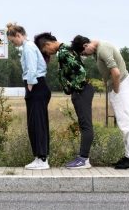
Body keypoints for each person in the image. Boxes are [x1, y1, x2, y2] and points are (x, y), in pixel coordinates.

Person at [72, 35, 129, 169]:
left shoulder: (103, 49)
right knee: (124, 121)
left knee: (127, 122)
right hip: (120, 84)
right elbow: (107, 73)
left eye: (83, 53)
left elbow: (115, 72)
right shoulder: (98, 51)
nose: (85, 55)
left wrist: (115, 90)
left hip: (120, 84)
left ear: (86, 45)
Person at [34, 32, 95, 169]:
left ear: (48, 44)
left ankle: (84, 159)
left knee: (85, 124)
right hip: (83, 90)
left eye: (45, 50)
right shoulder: (66, 49)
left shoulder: (63, 52)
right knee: (84, 123)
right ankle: (83, 158)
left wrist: (74, 88)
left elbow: (81, 72)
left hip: (82, 91)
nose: (48, 53)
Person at [6, 23, 50, 170]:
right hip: (37, 86)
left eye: (13, 41)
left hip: (36, 86)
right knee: (35, 123)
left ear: (18, 35)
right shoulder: (28, 47)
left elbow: (31, 68)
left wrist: (30, 85)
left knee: (37, 123)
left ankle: (42, 159)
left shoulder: (29, 47)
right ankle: (39, 157)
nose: (13, 44)